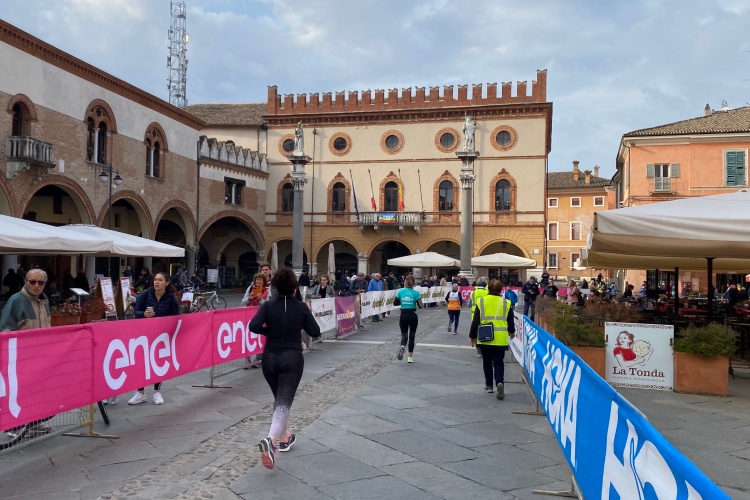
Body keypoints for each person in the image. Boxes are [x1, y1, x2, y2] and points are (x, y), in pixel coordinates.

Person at [249, 268, 320, 470]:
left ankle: (284, 437)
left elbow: (253, 326)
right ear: (294, 288)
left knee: (280, 399)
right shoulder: (300, 307)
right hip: (291, 357)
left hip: (270, 358)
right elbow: (315, 331)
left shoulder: (268, 306)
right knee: (283, 402)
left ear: (275, 287)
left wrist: (268, 330)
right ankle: (271, 441)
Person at [128, 272, 180, 405]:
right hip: (143, 334)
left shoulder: (171, 298)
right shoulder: (145, 294)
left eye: (160, 280)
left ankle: (157, 392)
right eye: (155, 279)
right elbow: (136, 312)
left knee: (158, 362)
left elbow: (176, 317)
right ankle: (140, 393)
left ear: (166, 283)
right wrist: (144, 314)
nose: (156, 282)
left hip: (161, 336)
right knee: (141, 363)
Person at [469, 279, 515, 399]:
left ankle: (489, 385)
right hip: (500, 339)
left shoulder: (481, 301)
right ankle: (499, 382)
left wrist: (472, 336)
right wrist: (512, 331)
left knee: (487, 362)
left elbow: (475, 321)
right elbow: (510, 320)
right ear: (501, 290)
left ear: (488, 289)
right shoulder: (506, 302)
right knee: (499, 363)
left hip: (485, 337)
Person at [394, 275, 423, 363]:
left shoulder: (400, 291)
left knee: (404, 335)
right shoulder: (416, 293)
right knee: (412, 336)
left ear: (405, 282)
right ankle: (410, 357)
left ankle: (402, 346)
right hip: (413, 315)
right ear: (413, 283)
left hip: (403, 315)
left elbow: (395, 303)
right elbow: (420, 305)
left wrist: (403, 301)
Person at [470, 278, 489, 357]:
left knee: (477, 333)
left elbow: (470, 304)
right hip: (486, 314)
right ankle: (485, 348)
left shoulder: (473, 293)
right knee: (486, 332)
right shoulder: (487, 292)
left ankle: (479, 351)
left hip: (474, 315)